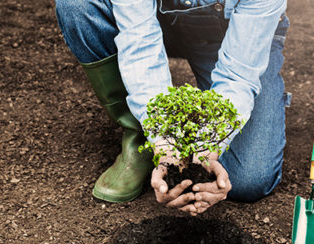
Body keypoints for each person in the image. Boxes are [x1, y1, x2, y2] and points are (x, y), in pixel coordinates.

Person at [55, 0, 291, 216]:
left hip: (232, 33)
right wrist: (164, 141)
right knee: (76, 5)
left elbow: (237, 75)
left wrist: (208, 146)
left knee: (249, 179)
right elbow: (140, 44)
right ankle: (141, 140)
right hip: (157, 20)